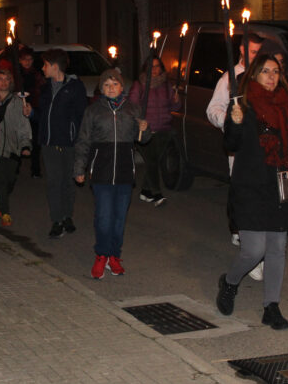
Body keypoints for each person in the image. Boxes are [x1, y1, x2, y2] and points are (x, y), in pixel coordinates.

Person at [215, 54, 288, 330]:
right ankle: (229, 282)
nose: (272, 77)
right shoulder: (243, 103)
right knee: (253, 250)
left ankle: (271, 306)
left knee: (277, 248)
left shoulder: (285, 104)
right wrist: (235, 121)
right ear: (253, 75)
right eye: (265, 71)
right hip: (250, 184)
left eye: (276, 71)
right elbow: (231, 143)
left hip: (278, 184)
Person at [74, 68, 148, 279]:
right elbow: (84, 140)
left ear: (122, 87)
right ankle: (101, 255)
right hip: (101, 172)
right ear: (101, 88)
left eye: (114, 84)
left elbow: (143, 138)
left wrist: (145, 127)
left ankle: (114, 255)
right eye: (106, 85)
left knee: (119, 218)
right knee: (104, 217)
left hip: (125, 172)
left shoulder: (132, 109)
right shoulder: (93, 111)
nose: (111, 88)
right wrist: (79, 168)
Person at [206, 33, 264, 249]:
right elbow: (212, 109)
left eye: (258, 52)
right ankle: (239, 228)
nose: (255, 56)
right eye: (252, 52)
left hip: (259, 146)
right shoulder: (229, 79)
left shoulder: (261, 75)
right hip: (239, 147)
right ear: (241, 50)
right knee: (241, 189)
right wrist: (231, 122)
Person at [38, 48, 87, 239]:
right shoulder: (44, 88)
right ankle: (57, 219)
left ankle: (67, 216)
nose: (42, 69)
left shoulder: (75, 87)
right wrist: (30, 113)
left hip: (69, 144)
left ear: (55, 66)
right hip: (49, 144)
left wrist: (79, 140)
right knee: (54, 182)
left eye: (45, 65)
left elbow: (81, 116)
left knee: (68, 182)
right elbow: (42, 115)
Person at [127, 55, 181, 206]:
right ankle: (157, 194)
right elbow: (132, 106)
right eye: (151, 67)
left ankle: (145, 191)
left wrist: (176, 101)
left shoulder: (166, 85)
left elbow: (174, 107)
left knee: (154, 161)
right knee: (151, 161)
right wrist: (139, 121)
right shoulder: (139, 85)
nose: (155, 70)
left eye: (158, 66)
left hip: (164, 129)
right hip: (145, 131)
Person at [0, 68, 32, 226]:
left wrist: (25, 144)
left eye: (6, 79)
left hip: (13, 148)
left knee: (11, 179)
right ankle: (4, 211)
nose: (3, 82)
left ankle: (2, 197)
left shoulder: (17, 102)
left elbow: (23, 125)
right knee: (0, 179)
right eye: (0, 79)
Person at [17, 48, 46, 178]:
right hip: (19, 110)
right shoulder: (16, 74)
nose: (27, 62)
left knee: (35, 140)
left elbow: (42, 90)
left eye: (30, 59)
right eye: (24, 59)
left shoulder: (37, 74)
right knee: (18, 138)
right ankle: (15, 166)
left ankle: (35, 169)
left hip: (34, 108)